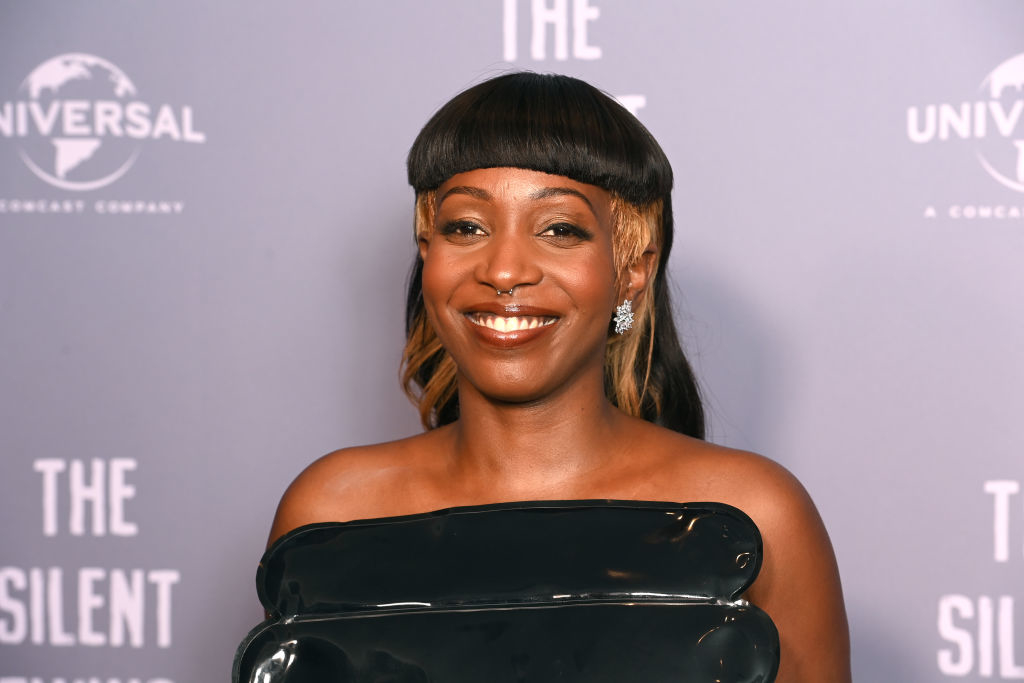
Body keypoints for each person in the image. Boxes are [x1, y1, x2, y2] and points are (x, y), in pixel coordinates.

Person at [267, 72, 851, 682]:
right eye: (466, 226)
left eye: (559, 230)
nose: (504, 269)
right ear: (426, 250)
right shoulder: (332, 513)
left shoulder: (757, 513)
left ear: (632, 270)